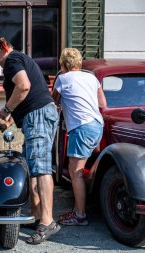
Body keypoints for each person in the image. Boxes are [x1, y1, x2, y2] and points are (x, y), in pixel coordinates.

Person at [0, 37, 60, 245]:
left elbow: (24, 87)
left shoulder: (12, 60)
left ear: (0, 49)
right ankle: (37, 216)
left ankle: (47, 222)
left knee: (41, 168)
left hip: (38, 116)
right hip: (35, 116)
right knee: (32, 167)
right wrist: (9, 120)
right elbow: (24, 97)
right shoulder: (18, 60)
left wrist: (6, 109)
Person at [52, 48, 107, 226]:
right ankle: (78, 209)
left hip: (81, 127)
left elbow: (54, 102)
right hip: (97, 124)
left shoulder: (62, 78)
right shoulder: (91, 77)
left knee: (76, 173)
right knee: (81, 169)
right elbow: (102, 103)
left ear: (63, 63)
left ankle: (80, 215)